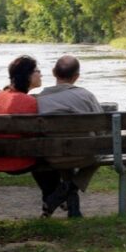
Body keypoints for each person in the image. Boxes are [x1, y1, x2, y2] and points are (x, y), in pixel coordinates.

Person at [0, 55, 64, 217]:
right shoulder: (28, 102)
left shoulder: (0, 96)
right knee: (48, 153)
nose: (41, 74)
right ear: (27, 75)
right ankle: (58, 196)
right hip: (14, 161)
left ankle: (53, 198)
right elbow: (41, 134)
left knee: (39, 152)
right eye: (37, 71)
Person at [36, 54, 104, 218]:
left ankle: (72, 208)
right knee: (101, 151)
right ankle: (68, 188)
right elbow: (102, 128)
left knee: (64, 149)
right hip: (85, 157)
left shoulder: (39, 99)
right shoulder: (86, 96)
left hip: (53, 156)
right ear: (77, 76)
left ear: (53, 72)